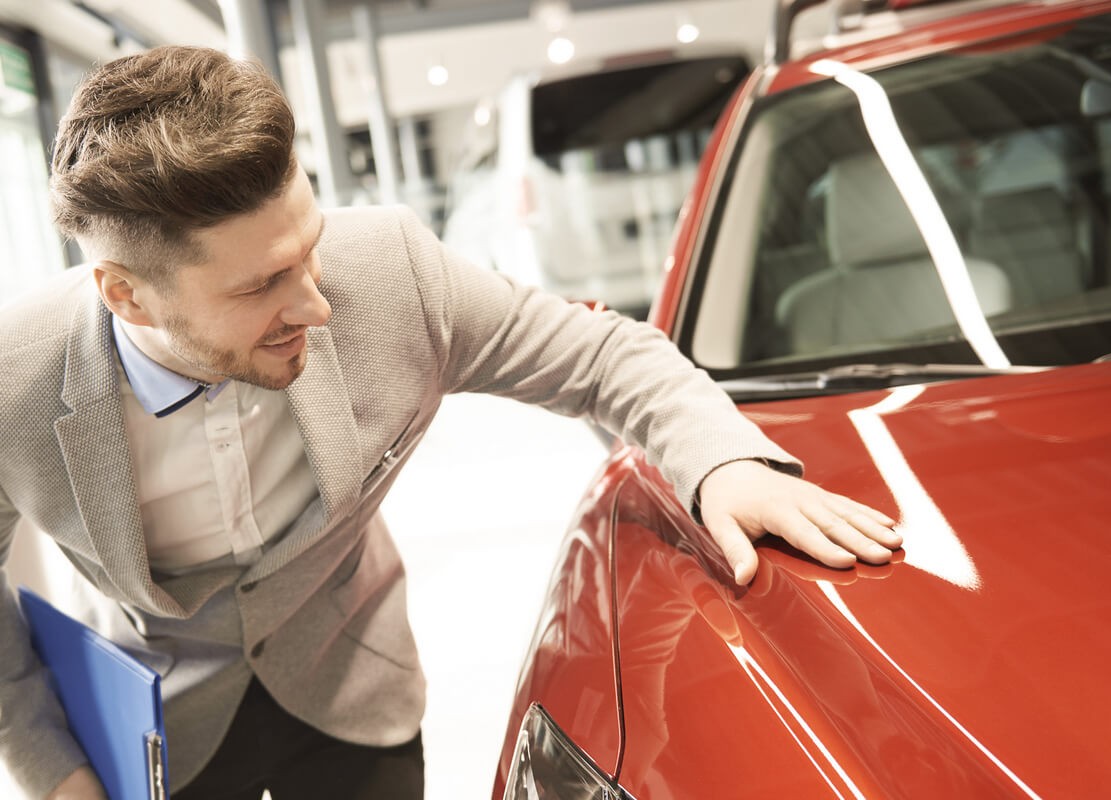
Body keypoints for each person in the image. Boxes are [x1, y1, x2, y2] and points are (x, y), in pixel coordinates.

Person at [0, 46, 901, 799]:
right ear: (127, 296)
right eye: (261, 284)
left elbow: (601, 355)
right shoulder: (12, 384)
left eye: (308, 249)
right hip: (156, 733)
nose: (316, 304)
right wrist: (53, 768)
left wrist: (722, 463)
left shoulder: (391, 271)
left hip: (352, 687)